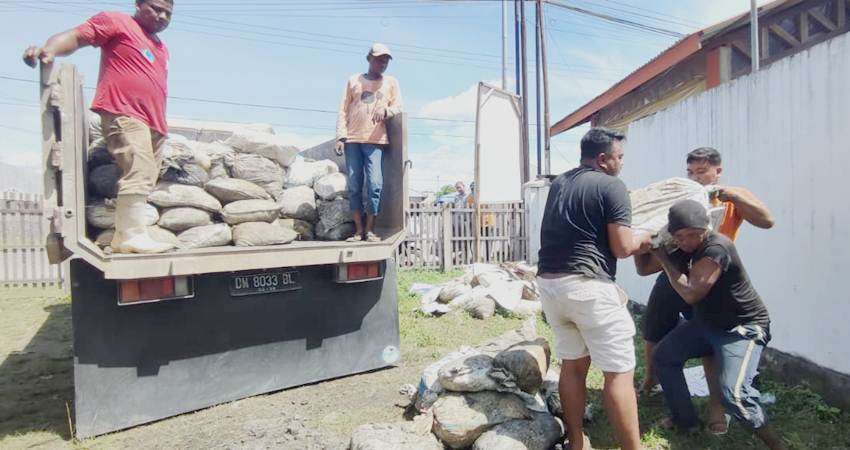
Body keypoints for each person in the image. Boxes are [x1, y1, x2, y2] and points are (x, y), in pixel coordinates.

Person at [638, 147, 774, 434]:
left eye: (701, 172)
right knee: (653, 329)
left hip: (709, 277)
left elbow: (767, 220)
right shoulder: (683, 199)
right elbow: (648, 260)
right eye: (691, 172)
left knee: (709, 341)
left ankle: (716, 409)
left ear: (717, 171)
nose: (696, 178)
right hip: (675, 271)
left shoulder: (730, 197)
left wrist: (731, 195)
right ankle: (651, 382)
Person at [23, 0, 175, 254]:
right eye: (156, 8)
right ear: (138, 4)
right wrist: (50, 49)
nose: (161, 16)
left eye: (168, 13)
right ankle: (131, 236)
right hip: (123, 111)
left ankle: (124, 237)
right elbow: (77, 36)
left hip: (154, 123)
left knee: (146, 176)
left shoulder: (161, 48)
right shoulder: (118, 22)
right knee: (140, 166)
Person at [536, 128, 651, 450]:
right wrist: (647, 236)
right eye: (620, 157)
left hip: (551, 286)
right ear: (603, 159)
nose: (621, 164)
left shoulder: (560, 183)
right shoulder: (612, 186)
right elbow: (623, 247)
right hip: (588, 287)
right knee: (618, 372)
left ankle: (576, 442)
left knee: (573, 365)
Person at [335, 43, 403, 243]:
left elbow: (399, 106)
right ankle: (358, 231)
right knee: (355, 185)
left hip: (376, 141)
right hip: (353, 140)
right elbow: (343, 109)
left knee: (375, 184)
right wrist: (340, 136)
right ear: (369, 59)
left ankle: (370, 229)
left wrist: (387, 111)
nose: (382, 63)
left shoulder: (391, 82)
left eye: (385, 60)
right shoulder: (353, 80)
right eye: (378, 59)